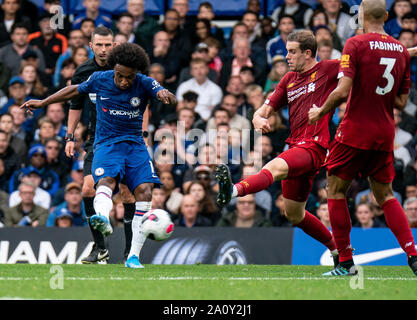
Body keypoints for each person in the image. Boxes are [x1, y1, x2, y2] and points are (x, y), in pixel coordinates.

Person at [21, 42, 177, 269]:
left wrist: (166, 94)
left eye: (129, 77)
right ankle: (103, 218)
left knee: (144, 192)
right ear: (113, 68)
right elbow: (74, 90)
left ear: (137, 74)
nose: (124, 81)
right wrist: (43, 102)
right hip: (106, 144)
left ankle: (133, 256)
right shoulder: (99, 78)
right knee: (105, 181)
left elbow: (167, 94)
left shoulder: (144, 82)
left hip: (134, 145)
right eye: (120, 75)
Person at [308, 0, 417, 276]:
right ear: (388, 16)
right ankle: (413, 255)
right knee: (386, 195)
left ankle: (345, 263)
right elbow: (402, 102)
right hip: (384, 131)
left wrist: (320, 110)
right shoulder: (400, 51)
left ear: (361, 16)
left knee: (335, 190)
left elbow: (343, 90)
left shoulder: (355, 44)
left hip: (355, 130)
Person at [215, 30, 340, 266]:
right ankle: (338, 251)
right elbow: (263, 109)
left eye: (292, 51)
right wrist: (257, 119)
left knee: (274, 166)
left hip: (313, 147)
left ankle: (231, 191)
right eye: (286, 50)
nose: (287, 56)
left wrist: (407, 52)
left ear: (308, 53)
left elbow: (373, 59)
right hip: (297, 146)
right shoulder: (288, 79)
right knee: (295, 214)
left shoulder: (328, 69)